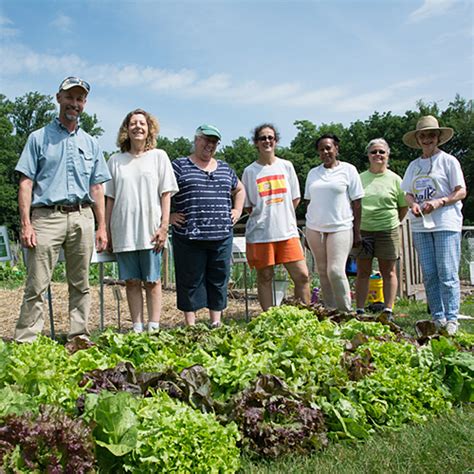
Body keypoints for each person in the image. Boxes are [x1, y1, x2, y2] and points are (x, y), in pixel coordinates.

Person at [14, 76, 111, 342]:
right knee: (37, 284)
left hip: (82, 217)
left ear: (85, 103)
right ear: (59, 98)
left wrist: (102, 226)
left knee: (81, 284)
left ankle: (78, 337)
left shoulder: (91, 143)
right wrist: (26, 223)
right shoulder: (38, 138)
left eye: (79, 99)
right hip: (46, 218)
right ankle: (27, 341)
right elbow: (26, 182)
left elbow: (97, 189)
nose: (74, 103)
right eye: (69, 97)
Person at [105, 109, 178, 333]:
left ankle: (154, 327)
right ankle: (137, 327)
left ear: (149, 129)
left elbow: (166, 194)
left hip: (151, 231)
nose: (138, 127)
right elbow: (110, 199)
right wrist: (106, 231)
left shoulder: (159, 156)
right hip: (123, 230)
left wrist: (164, 226)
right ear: (126, 129)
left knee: (153, 281)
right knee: (132, 281)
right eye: (133, 123)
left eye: (142, 123)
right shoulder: (115, 160)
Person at [171, 124, 245, 327]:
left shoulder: (225, 168)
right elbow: (161, 191)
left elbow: (240, 189)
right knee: (190, 279)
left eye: (214, 142)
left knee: (218, 279)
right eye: (206, 140)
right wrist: (168, 216)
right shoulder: (179, 166)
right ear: (196, 140)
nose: (210, 145)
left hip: (221, 235)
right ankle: (191, 325)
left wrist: (237, 211)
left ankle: (215, 322)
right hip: (189, 235)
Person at [401, 116, 466, 335]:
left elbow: (461, 191)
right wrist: (413, 205)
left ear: (438, 137)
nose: (427, 139)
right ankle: (437, 317)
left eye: (431, 135)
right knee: (429, 273)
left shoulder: (449, 161)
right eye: (423, 135)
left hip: (445, 222)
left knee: (447, 271)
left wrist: (439, 201)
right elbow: (408, 193)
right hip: (421, 224)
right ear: (418, 139)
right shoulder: (414, 166)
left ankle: (452, 318)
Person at [242, 124, 310, 311]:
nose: (267, 141)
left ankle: (304, 317)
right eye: (262, 138)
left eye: (270, 137)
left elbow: (295, 198)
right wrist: (266, 216)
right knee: (265, 277)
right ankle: (269, 318)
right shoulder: (250, 171)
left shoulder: (286, 166)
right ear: (256, 143)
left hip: (287, 231)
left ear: (276, 141)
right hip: (262, 234)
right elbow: (248, 205)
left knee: (302, 276)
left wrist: (281, 214)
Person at [304, 133, 364, 312]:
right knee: (322, 271)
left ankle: (345, 311)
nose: (325, 152)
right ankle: (331, 311)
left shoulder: (348, 170)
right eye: (321, 149)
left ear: (336, 149)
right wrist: (307, 231)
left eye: (328, 148)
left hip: (341, 226)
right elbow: (308, 201)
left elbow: (357, 203)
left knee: (335, 271)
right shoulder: (313, 173)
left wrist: (357, 231)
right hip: (314, 228)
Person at [354, 138, 408, 319]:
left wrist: (393, 223)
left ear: (388, 155)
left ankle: (388, 309)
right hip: (363, 231)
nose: (378, 155)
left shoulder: (395, 179)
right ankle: (360, 309)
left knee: (389, 271)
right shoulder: (359, 178)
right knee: (362, 271)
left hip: (387, 230)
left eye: (381, 152)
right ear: (368, 156)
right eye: (374, 152)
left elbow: (403, 206)